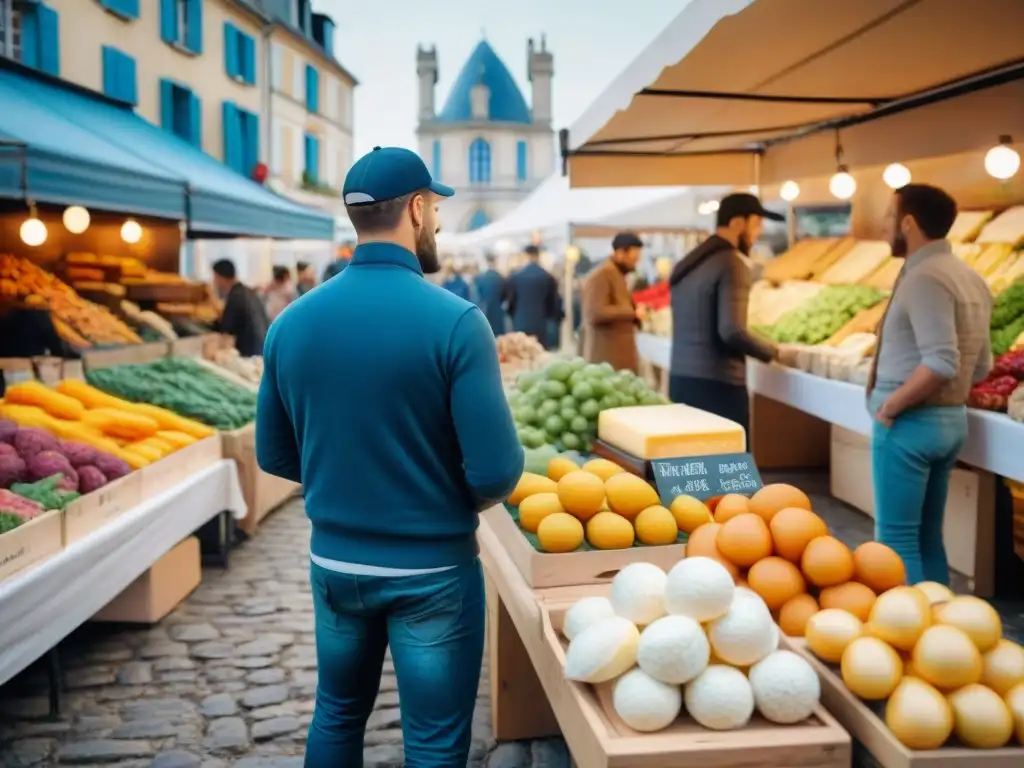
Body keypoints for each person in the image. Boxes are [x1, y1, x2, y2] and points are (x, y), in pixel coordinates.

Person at [255, 146, 523, 766]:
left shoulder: (290, 323)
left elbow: (274, 454)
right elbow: (496, 471)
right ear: (416, 208)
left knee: (337, 713)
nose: (437, 223)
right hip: (431, 570)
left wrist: (347, 483)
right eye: (434, 209)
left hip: (336, 563)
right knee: (432, 741)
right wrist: (432, 497)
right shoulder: (457, 322)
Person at [867, 184, 992, 586]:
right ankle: (940, 623)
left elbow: (941, 361)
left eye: (889, 218)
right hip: (951, 423)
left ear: (908, 222)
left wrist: (889, 407)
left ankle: (911, 632)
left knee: (896, 540)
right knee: (928, 537)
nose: (885, 227)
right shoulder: (971, 278)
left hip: (908, 424)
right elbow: (981, 365)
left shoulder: (924, 278)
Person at [668, 193, 780, 431]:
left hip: (681, 381)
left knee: (690, 463)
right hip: (718, 387)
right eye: (756, 224)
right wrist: (771, 352)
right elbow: (732, 331)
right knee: (727, 466)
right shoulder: (732, 263)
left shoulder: (687, 263)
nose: (758, 233)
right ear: (737, 223)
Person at [580, 232, 645, 372]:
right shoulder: (601, 275)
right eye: (634, 258)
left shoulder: (617, 275)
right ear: (621, 252)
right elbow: (595, 313)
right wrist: (631, 312)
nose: (636, 263)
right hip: (606, 361)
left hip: (619, 361)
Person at [211, 259, 269, 358]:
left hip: (249, 354)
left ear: (219, 277)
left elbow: (226, 329)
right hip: (262, 350)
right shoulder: (249, 292)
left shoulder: (235, 296)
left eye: (215, 277)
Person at [505, 245, 560, 349]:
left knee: (521, 355)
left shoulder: (515, 277)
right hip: (541, 324)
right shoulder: (547, 277)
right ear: (538, 256)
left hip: (520, 324)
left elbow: (510, 303)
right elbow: (553, 304)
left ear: (526, 256)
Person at [474, 253, 508, 335]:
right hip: (498, 311)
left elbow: (478, 297)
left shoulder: (480, 278)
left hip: (485, 310)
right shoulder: (501, 278)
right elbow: (504, 296)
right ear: (495, 261)